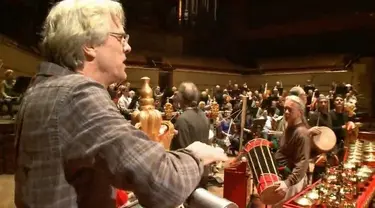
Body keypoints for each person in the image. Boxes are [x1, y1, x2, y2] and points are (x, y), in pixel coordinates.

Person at [14, 1, 227, 208]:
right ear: (89, 45)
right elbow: (164, 184)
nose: (128, 46)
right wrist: (195, 155)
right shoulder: (78, 94)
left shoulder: (40, 87)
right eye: (120, 37)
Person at [273, 95, 310, 207]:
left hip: (293, 182)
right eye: (285, 109)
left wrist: (287, 183)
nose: (286, 112)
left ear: (299, 112)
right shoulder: (289, 127)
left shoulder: (301, 133)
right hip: (285, 177)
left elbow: (303, 162)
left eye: (290, 109)